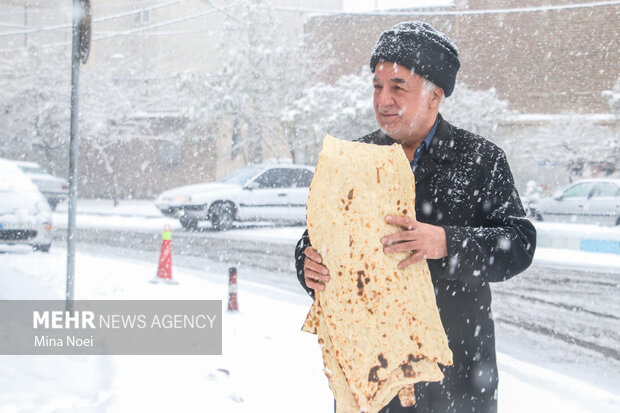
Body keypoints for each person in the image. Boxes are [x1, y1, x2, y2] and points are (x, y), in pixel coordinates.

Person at [295, 21, 536, 413]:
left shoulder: (479, 160)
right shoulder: (353, 160)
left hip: (455, 380)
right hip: (371, 379)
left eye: (398, 87)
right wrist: (308, 264)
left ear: (434, 95)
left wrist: (446, 243)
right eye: (377, 86)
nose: (383, 100)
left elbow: (519, 245)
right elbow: (315, 239)